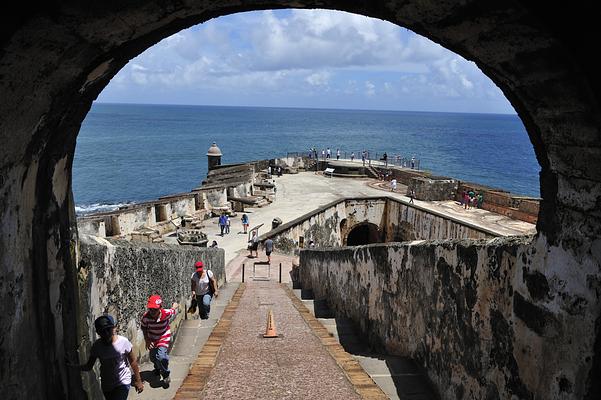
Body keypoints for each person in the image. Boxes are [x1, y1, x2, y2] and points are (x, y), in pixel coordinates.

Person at [68, 315, 143, 399]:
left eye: (108, 329)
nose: (106, 333)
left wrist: (138, 380)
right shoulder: (97, 346)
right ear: (98, 332)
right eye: (103, 331)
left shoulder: (123, 342)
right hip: (107, 385)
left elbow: (133, 361)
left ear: (114, 328)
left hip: (123, 381)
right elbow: (89, 366)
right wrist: (74, 366)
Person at [141, 295, 179, 387]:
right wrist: (147, 340)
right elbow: (144, 328)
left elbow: (173, 310)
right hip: (152, 338)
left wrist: (175, 305)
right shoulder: (146, 317)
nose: (153, 312)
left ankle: (166, 375)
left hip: (163, 336)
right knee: (153, 357)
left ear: (160, 308)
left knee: (161, 357)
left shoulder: (166, 313)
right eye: (151, 309)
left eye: (155, 309)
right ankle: (157, 369)